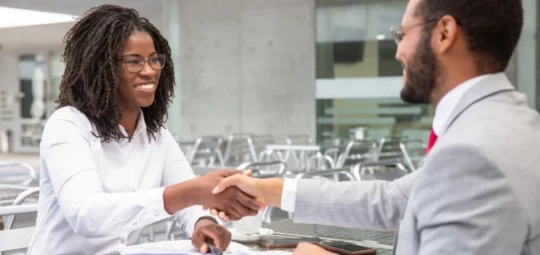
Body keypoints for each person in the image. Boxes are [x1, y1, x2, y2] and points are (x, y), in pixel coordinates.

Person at [212, 0, 540, 254]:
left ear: (444, 33)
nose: (397, 51)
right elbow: (392, 200)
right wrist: (268, 190)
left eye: (402, 34)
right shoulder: (517, 126)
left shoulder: (470, 155)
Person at [27, 5, 262, 254]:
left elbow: (189, 200)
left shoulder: (155, 133)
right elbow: (87, 215)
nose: (149, 71)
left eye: (154, 59)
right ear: (100, 67)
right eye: (134, 61)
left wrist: (202, 222)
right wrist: (193, 191)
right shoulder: (67, 125)